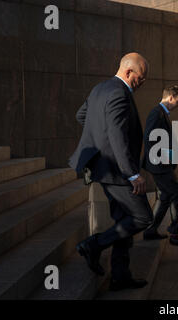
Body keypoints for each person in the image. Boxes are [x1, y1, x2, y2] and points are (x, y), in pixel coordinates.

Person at [68, 53, 153, 291]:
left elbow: (81, 116)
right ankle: (93, 245)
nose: (143, 82)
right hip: (117, 171)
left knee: (123, 220)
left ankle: (120, 275)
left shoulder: (99, 89)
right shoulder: (119, 93)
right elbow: (117, 138)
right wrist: (133, 174)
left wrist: (98, 135)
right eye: (141, 78)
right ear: (128, 72)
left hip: (104, 168)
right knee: (142, 217)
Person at [141, 85, 178, 249]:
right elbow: (151, 138)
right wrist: (165, 161)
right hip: (160, 166)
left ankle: (151, 231)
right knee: (177, 195)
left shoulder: (161, 113)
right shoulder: (157, 113)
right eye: (177, 101)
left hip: (162, 166)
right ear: (170, 97)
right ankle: (175, 234)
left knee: (165, 198)